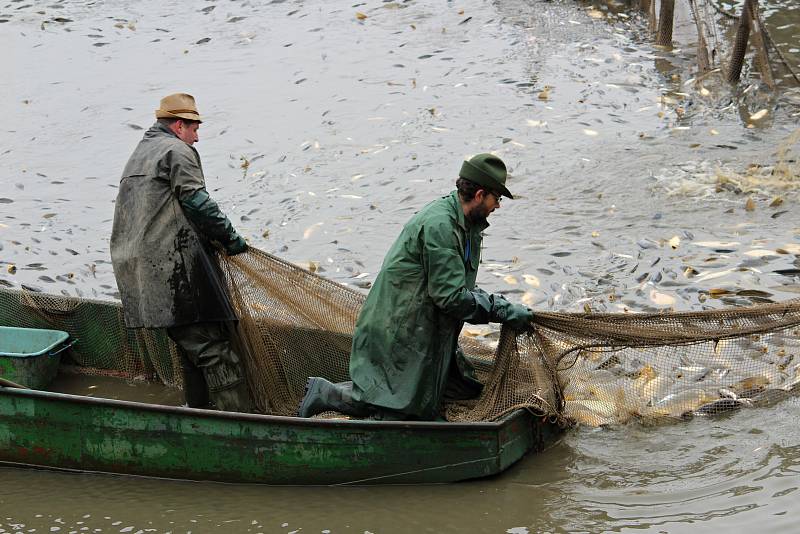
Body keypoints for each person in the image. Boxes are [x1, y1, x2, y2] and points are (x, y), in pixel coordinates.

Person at [298, 153, 534, 421]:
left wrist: (500, 304)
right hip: (399, 331)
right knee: (396, 409)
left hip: (424, 326)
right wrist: (500, 311)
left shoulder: (464, 224)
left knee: (447, 393)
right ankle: (324, 393)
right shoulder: (441, 226)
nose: (498, 206)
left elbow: (458, 286)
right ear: (480, 194)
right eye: (497, 199)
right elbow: (452, 297)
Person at [110, 93, 253, 413]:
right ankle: (244, 425)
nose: (197, 137)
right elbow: (197, 201)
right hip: (174, 269)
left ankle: (197, 412)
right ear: (178, 125)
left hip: (139, 270)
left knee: (193, 349)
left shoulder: (141, 153)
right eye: (194, 128)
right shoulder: (177, 150)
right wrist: (231, 238)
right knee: (215, 352)